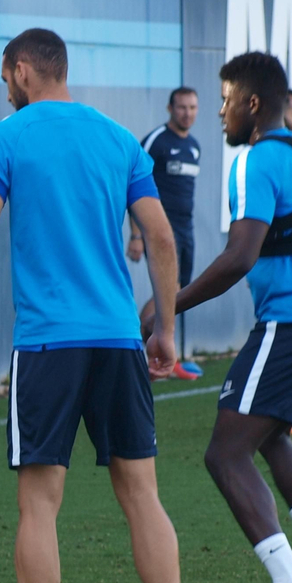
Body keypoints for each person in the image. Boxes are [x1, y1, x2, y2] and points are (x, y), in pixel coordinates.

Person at [0, 28, 196, 583]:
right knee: (142, 495)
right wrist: (166, 329)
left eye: (5, 78)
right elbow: (161, 237)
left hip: (47, 343)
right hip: (118, 338)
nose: (5, 90)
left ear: (23, 71)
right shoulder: (118, 137)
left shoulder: (5, 138)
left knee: (39, 504)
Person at [143, 51, 292, 583]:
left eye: (225, 100)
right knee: (268, 433)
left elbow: (239, 257)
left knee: (225, 453)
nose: (220, 113)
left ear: (252, 103)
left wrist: (166, 304)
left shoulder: (253, 161)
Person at [128, 86, 203, 379]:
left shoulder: (194, 146)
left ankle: (158, 352)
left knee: (179, 291)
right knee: (170, 290)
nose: (188, 113)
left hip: (186, 229)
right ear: (170, 109)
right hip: (160, 229)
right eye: (182, 107)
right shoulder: (156, 141)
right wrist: (136, 234)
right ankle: (135, 346)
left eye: (193, 107)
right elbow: (133, 185)